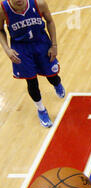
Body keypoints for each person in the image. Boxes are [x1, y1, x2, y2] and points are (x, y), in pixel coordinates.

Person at [0, 0, 65, 128]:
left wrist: (54, 45)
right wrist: (7, 49)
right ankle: (41, 110)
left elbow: (50, 21)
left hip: (41, 44)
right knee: (31, 82)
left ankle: (57, 84)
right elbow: (0, 30)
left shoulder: (39, 3)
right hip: (21, 49)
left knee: (52, 77)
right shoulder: (2, 9)